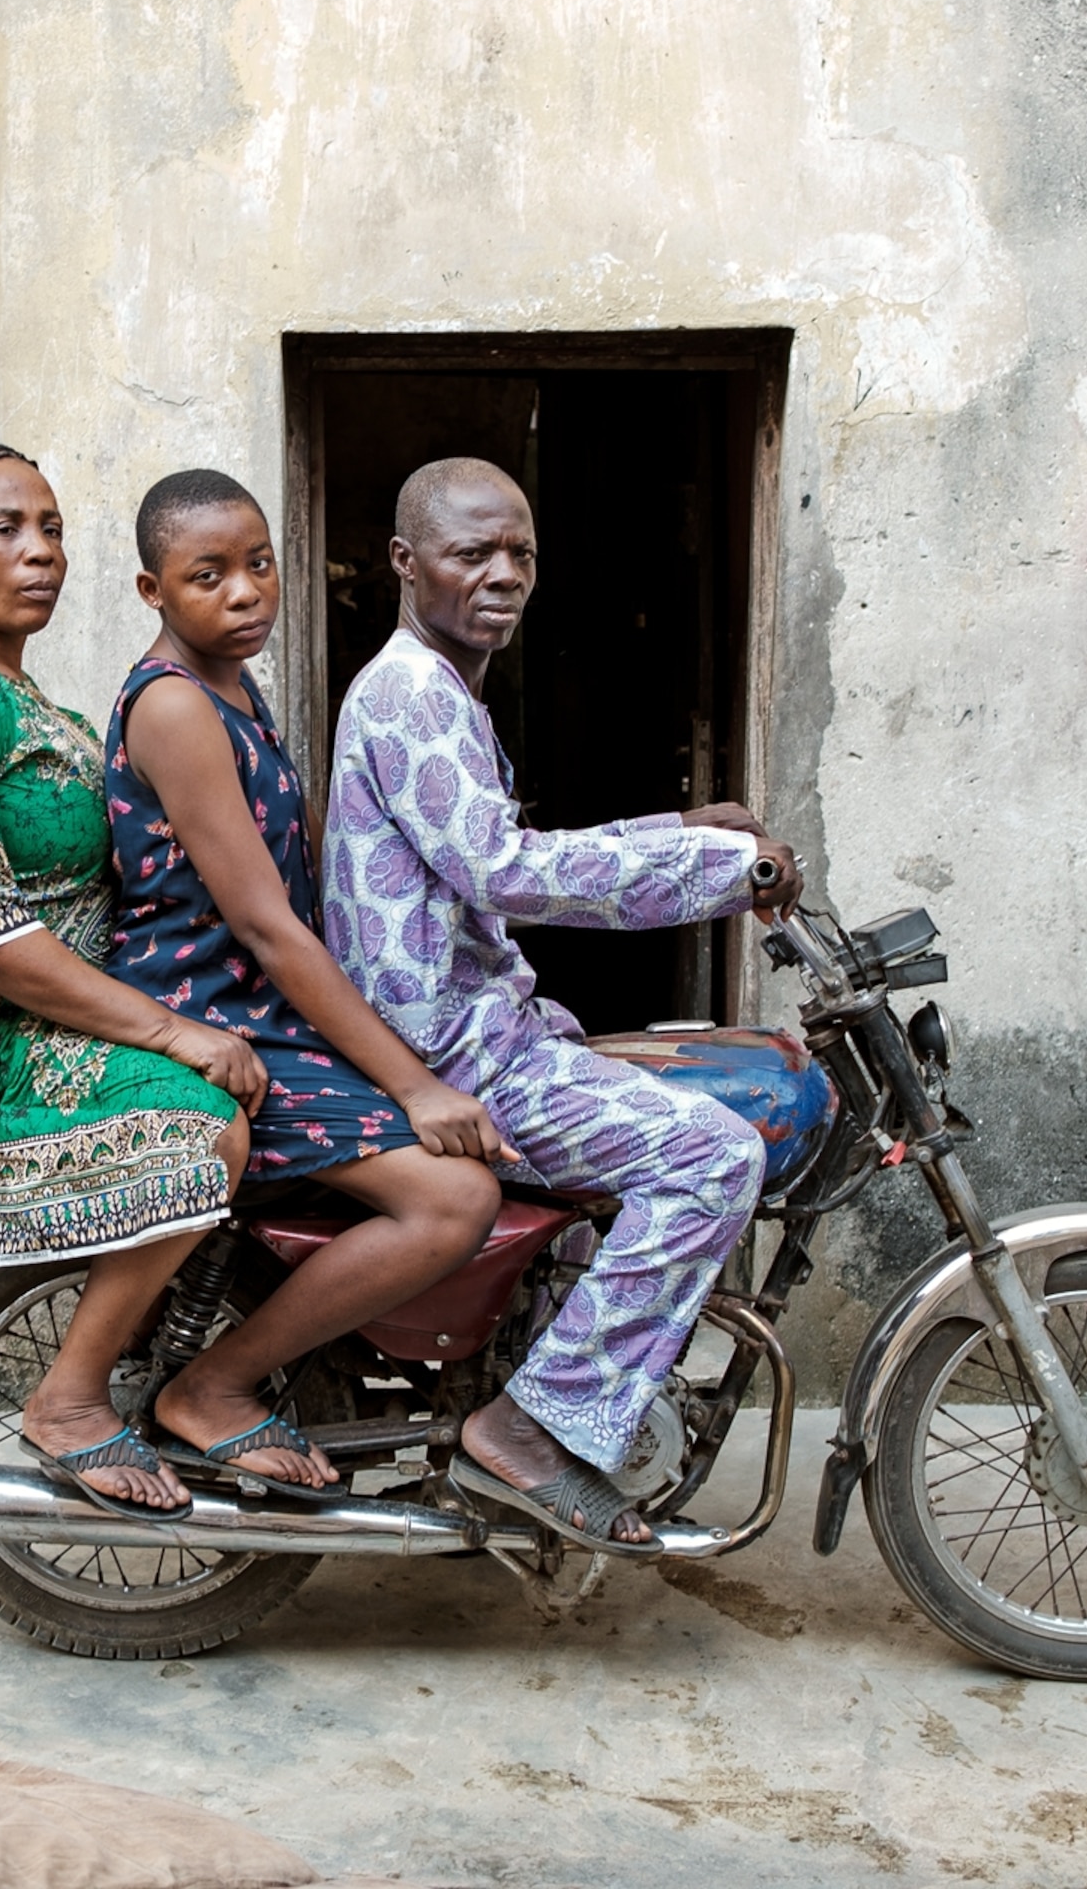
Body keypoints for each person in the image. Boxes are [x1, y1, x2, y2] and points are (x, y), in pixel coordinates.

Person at [322, 457, 804, 1550]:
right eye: (471, 553)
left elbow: (499, 854)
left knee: (671, 1077)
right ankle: (529, 1430)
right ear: (407, 562)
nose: (503, 575)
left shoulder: (438, 689)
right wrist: (727, 873)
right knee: (716, 1157)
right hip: (460, 1057)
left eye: (521, 553)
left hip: (484, 1031)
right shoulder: (411, 695)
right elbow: (507, 870)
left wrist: (685, 828)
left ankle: (563, 1362)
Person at [0, 442, 267, 1518]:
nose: (39, 552)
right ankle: (69, 1400)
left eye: (53, 528)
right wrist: (172, 1032)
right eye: (5, 528)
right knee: (205, 1125)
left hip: (63, 1007)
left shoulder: (28, 698)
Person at [103, 470, 510, 1490]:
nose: (244, 592)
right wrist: (413, 1084)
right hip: (219, 1012)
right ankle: (213, 1385)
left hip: (267, 1005)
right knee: (453, 1198)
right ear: (153, 590)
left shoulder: (236, 688)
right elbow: (265, 924)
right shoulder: (174, 707)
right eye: (208, 575)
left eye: (258, 564)